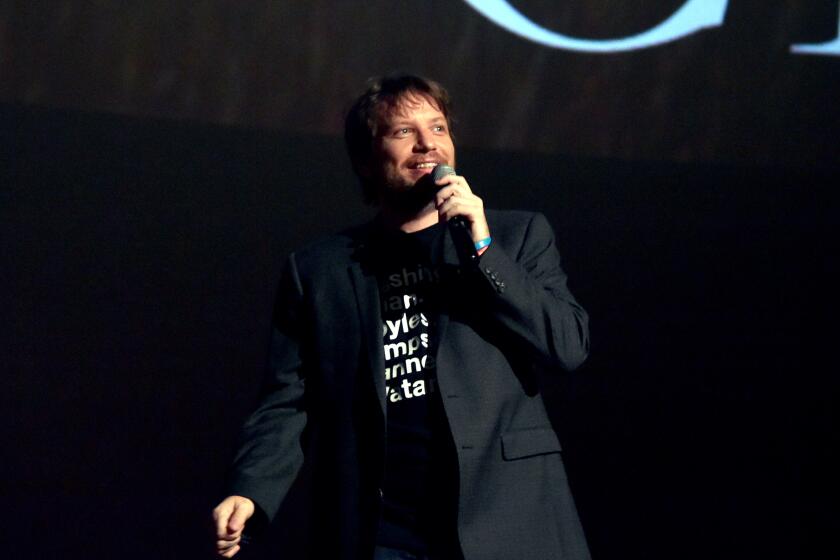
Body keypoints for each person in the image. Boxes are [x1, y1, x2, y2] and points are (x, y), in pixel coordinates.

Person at [213, 74, 591, 560]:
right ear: (366, 161)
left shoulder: (517, 236)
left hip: (504, 516)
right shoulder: (321, 269)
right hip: (385, 531)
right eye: (403, 132)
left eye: (437, 128)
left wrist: (483, 250)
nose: (427, 144)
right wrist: (250, 490)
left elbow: (568, 345)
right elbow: (288, 398)